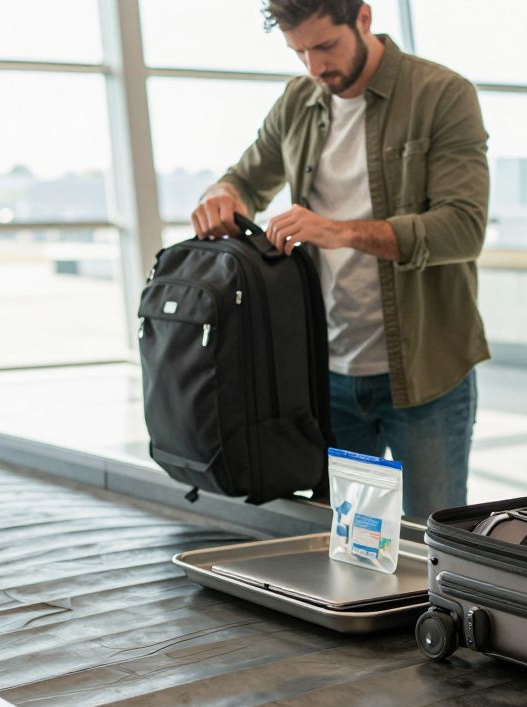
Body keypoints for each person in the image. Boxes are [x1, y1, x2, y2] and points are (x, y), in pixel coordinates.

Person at [192, 0, 490, 517]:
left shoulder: (441, 94)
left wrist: (337, 231)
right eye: (299, 52)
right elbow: (245, 178)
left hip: (426, 376)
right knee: (346, 540)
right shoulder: (298, 100)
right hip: (325, 374)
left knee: (432, 542)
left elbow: (462, 229)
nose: (315, 68)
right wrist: (223, 194)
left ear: (364, 18)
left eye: (325, 46)